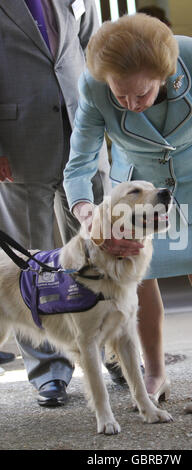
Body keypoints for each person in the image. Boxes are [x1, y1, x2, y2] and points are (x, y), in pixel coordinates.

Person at [63, 13, 192, 413]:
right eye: (121, 96)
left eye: (142, 95)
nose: (131, 106)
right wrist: (84, 209)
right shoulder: (95, 84)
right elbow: (81, 157)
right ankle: (153, 371)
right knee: (140, 278)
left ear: (163, 75)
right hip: (137, 193)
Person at [0, 0, 111, 406]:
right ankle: (48, 371)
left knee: (98, 247)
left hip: (81, 132)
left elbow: (95, 49)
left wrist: (108, 117)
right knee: (27, 263)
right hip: (18, 139)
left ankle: (109, 350)